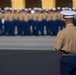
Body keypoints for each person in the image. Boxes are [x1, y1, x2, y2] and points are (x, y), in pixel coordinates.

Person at [54, 10, 76, 75]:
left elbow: (57, 47)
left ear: (64, 19)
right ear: (73, 19)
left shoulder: (62, 32)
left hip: (67, 58)